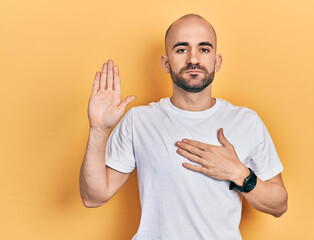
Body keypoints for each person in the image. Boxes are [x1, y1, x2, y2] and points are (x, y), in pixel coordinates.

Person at [80, 14, 288, 240]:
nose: (193, 59)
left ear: (217, 62)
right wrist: (98, 130)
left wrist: (238, 173)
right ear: (165, 63)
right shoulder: (138, 121)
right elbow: (93, 197)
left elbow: (279, 204)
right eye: (181, 50)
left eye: (204, 49)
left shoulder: (246, 122)